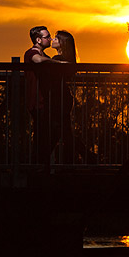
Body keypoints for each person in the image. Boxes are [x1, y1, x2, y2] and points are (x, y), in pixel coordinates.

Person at [24, 26, 55, 164]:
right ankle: (37, 164)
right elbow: (37, 60)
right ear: (38, 39)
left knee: (46, 134)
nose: (50, 39)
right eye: (47, 37)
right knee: (40, 134)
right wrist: (58, 63)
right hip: (37, 101)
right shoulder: (31, 53)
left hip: (45, 101)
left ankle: (41, 164)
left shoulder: (46, 56)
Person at [50, 30, 78, 161]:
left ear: (62, 44)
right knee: (64, 131)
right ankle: (74, 160)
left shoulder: (57, 60)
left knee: (60, 131)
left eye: (56, 38)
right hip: (64, 97)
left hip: (59, 98)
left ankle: (40, 160)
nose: (53, 40)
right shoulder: (67, 60)